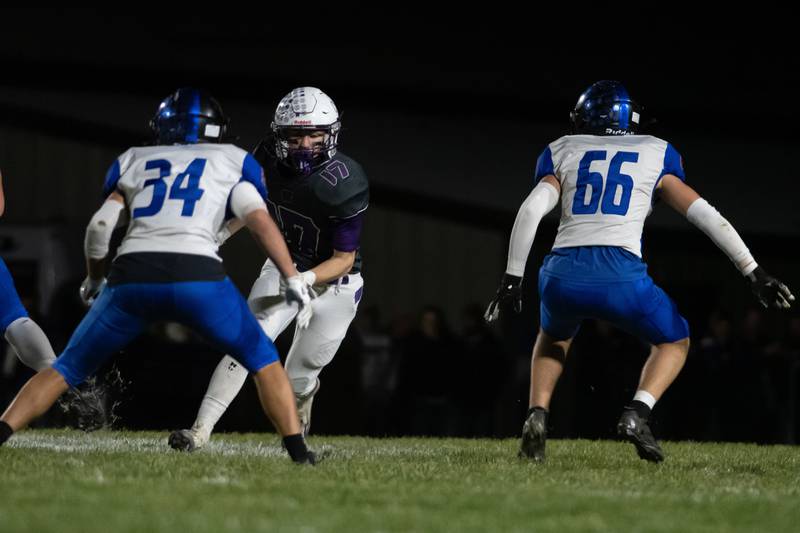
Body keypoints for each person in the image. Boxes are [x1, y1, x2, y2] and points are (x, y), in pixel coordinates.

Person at [0, 88, 317, 464]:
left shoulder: (134, 158)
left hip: (133, 276)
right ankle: (299, 453)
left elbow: (101, 226)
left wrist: (96, 278)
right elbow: (258, 220)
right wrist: (291, 275)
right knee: (263, 360)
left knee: (66, 367)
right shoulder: (234, 159)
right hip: (198, 277)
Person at [485, 80, 794, 463]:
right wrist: (753, 271)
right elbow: (705, 216)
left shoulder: (562, 150)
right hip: (621, 273)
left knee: (553, 337)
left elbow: (531, 209)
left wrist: (513, 276)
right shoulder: (655, 151)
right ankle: (638, 413)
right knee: (674, 340)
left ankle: (537, 414)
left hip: (561, 271)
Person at [169, 86, 368, 451]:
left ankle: (304, 400)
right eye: (295, 135)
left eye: (314, 134)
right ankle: (199, 431)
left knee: (297, 377)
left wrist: (303, 279)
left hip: (334, 283)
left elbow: (342, 258)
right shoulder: (264, 158)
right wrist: (216, 235)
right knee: (247, 343)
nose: (304, 144)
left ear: (331, 134)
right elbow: (251, 207)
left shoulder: (345, 182)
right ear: (279, 136)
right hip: (284, 266)